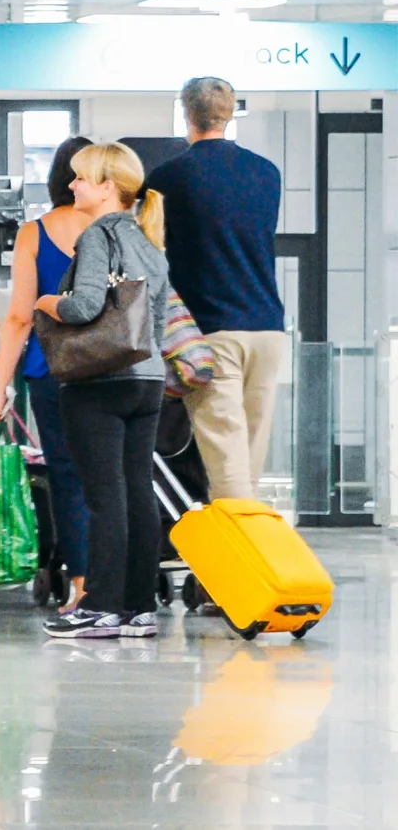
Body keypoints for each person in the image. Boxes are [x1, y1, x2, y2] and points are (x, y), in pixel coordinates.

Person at [35, 142, 171, 640]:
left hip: (99, 382)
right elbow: (154, 322)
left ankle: (101, 606)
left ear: (108, 187)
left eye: (81, 179)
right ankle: (139, 607)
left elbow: (83, 308)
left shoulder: (97, 236)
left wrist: (48, 301)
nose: (72, 186)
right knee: (137, 491)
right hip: (147, 378)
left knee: (103, 495)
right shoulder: (148, 240)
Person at [146, 77, 287, 502]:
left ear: (186, 113)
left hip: (210, 332)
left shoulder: (168, 177)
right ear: (231, 112)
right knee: (249, 460)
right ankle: (241, 554)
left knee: (226, 464)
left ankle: (229, 567)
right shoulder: (268, 173)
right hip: (268, 329)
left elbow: (151, 249)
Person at [0, 136, 95, 612]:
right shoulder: (119, 227)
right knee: (114, 476)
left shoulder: (34, 233)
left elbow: (18, 317)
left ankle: (83, 586)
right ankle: (124, 582)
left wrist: (0, 386)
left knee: (69, 477)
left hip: (51, 371)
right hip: (114, 369)